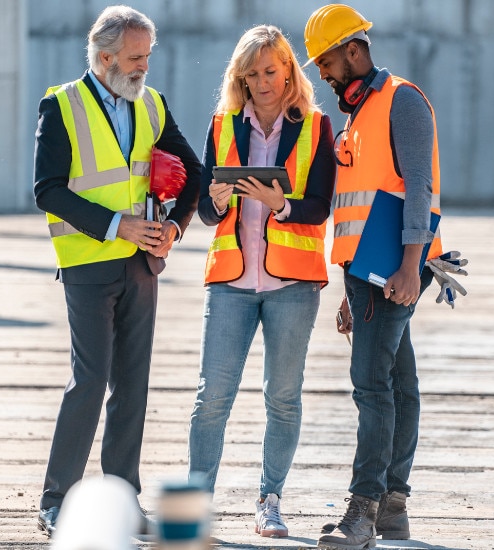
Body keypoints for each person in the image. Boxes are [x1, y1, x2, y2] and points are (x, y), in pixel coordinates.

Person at [31, 4, 202, 538]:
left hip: (142, 267)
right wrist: (115, 226)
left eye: (147, 56)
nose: (144, 66)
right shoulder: (61, 105)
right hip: (87, 263)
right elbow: (47, 190)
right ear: (105, 57)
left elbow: (193, 170)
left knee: (132, 385)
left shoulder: (150, 102)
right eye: (135, 57)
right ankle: (56, 500)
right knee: (91, 380)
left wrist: (174, 227)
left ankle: (123, 500)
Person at [302, 4, 446, 550]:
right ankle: (393, 508)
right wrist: (348, 289)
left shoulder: (402, 101)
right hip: (367, 273)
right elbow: (357, 209)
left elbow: (419, 188)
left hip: (397, 268)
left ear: (354, 51)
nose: (322, 73)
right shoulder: (358, 116)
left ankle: (362, 511)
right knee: (398, 384)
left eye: (327, 61)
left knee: (370, 385)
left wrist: (412, 265)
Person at [187, 25, 335, 539]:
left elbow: (320, 208)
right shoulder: (223, 123)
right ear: (241, 78)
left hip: (292, 285)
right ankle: (195, 507)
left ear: (289, 69)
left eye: (270, 71)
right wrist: (218, 201)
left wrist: (282, 205)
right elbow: (205, 209)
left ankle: (270, 500)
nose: (262, 83)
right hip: (230, 279)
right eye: (251, 75)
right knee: (212, 397)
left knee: (283, 397)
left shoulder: (317, 126)